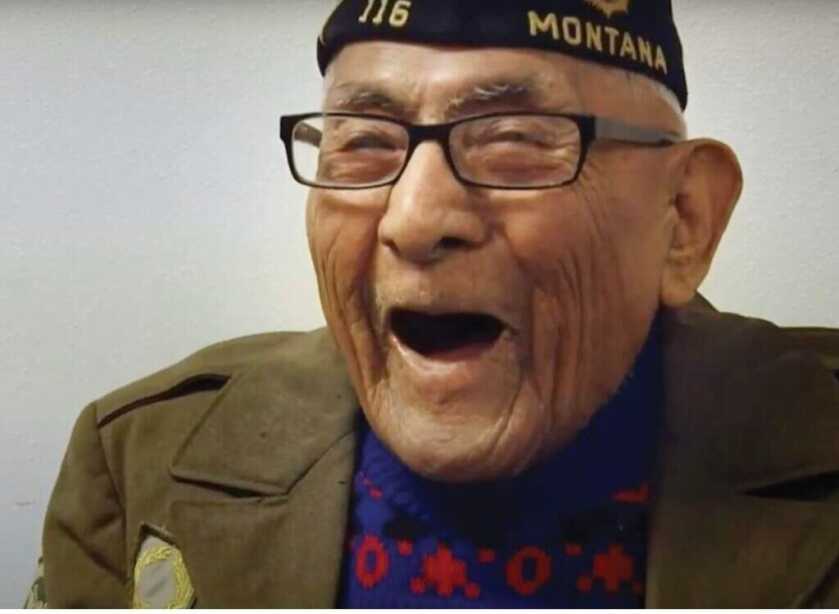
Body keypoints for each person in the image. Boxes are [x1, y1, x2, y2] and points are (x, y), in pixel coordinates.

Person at [27, 0, 839, 608]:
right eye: (363, 142)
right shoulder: (138, 460)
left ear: (683, 219)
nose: (413, 220)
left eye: (514, 139)